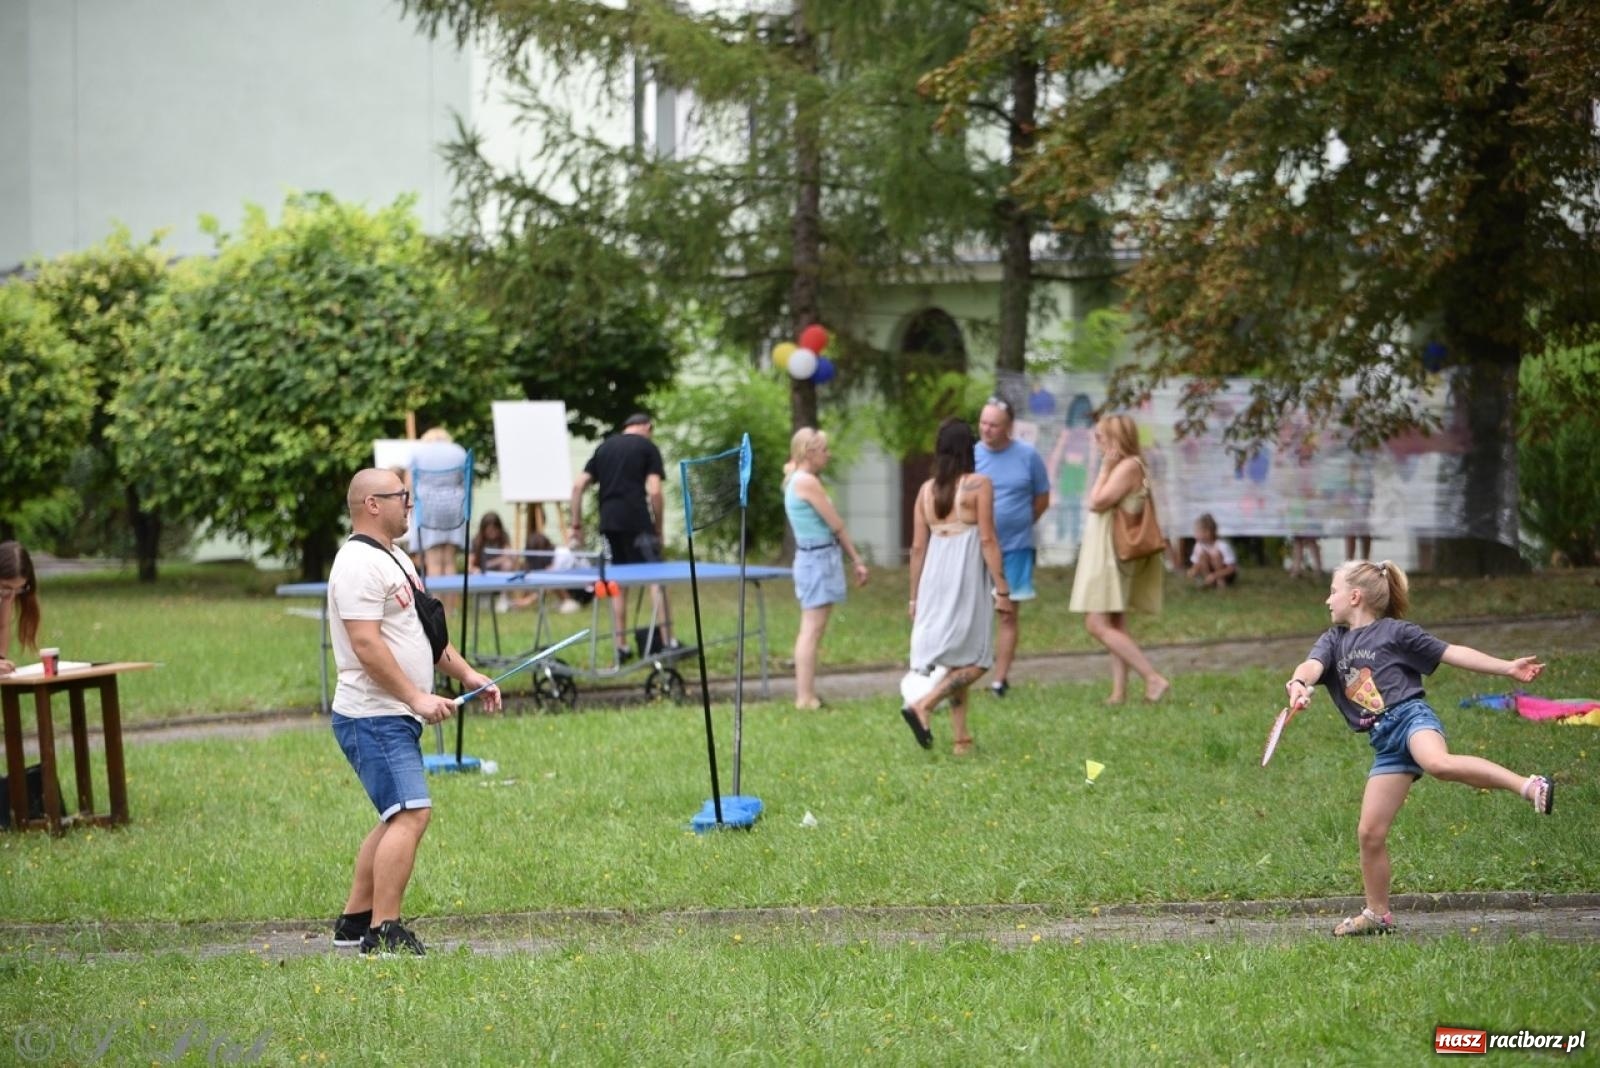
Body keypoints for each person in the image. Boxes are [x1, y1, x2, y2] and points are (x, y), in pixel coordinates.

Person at [1283, 559, 1553, 937]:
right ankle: (1378, 915)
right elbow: (1311, 665)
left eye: (1333, 590)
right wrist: (1298, 684)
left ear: (1355, 596)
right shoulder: (1334, 640)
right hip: (1385, 741)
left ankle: (1529, 784)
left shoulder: (1395, 632)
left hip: (1411, 718)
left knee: (1437, 763)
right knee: (1370, 833)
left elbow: (1451, 652)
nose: (1328, 599)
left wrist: (1507, 667)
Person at [327, 468, 502, 956]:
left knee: (394, 816)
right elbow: (366, 643)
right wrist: (416, 697)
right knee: (411, 814)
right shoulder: (358, 564)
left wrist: (468, 675)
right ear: (372, 505)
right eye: (402, 497)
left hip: (389, 714)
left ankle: (353, 923)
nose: (410, 505)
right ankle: (384, 932)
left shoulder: (395, 558)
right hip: (372, 715)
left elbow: (427, 633)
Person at [902, 419, 1014, 755]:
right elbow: (988, 539)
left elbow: (918, 549)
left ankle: (961, 739)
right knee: (978, 659)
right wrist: (1003, 589)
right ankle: (925, 704)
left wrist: (914, 597)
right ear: (970, 449)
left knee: (956, 658)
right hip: (964, 576)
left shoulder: (926, 491)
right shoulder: (979, 485)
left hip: (934, 576)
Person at [1067, 414, 1171, 704]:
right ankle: (1119, 692)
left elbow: (1097, 502)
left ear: (1116, 439)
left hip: (1111, 555)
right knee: (1116, 622)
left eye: (1101, 436)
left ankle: (1152, 678)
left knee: (1096, 623)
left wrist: (1104, 468)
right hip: (1109, 552)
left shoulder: (1126, 466)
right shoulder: (1126, 466)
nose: (1096, 441)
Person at [570, 412, 679, 662]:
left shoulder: (604, 448)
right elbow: (655, 491)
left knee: (619, 580)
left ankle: (621, 645)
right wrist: (658, 527)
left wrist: (576, 524)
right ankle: (667, 640)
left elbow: (578, 486)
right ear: (647, 428)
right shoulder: (648, 447)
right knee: (656, 579)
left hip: (609, 522)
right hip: (638, 522)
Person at [782, 428, 870, 710]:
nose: (828, 455)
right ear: (809, 453)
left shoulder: (797, 477)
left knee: (813, 629)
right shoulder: (807, 482)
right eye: (823, 450)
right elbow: (836, 524)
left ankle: (807, 694)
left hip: (815, 558)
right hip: (817, 561)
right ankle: (804, 697)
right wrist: (857, 559)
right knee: (811, 629)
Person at [974, 396, 1049, 697]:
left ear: (1008, 428)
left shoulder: (1028, 456)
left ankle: (999, 680)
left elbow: (1042, 497)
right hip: (977, 547)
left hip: (1016, 548)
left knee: (1007, 613)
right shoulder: (971, 454)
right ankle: (967, 671)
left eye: (994, 425)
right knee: (975, 611)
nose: (987, 429)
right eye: (983, 423)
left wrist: (1021, 522)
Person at [0, 541, 41, 676]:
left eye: (18, 589)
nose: (11, 597)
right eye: (5, 588)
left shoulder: (6, 597)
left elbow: (2, 627)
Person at [1187, 513, 1238, 589]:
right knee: (1202, 555)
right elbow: (1197, 564)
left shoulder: (1222, 545)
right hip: (1211, 574)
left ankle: (1221, 582)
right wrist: (1193, 570)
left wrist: (1215, 575)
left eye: (1197, 532)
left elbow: (1232, 568)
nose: (1195, 535)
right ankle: (1208, 581)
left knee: (1216, 554)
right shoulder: (1198, 546)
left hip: (1225, 575)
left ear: (1207, 532)